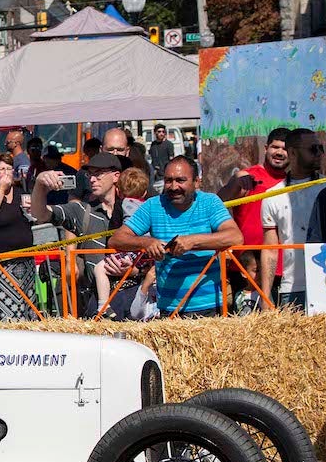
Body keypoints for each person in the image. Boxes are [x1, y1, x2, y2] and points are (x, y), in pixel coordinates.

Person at [110, 156, 244, 318]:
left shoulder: (210, 202)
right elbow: (116, 239)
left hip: (208, 306)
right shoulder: (154, 205)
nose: (174, 187)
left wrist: (192, 241)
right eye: (168, 181)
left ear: (196, 182)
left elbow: (235, 237)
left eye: (181, 180)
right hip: (169, 308)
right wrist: (146, 242)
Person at [32, 152, 125, 318]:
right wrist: (40, 184)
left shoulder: (136, 208)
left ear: (116, 176)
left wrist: (134, 270)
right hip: (96, 304)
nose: (92, 179)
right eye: (90, 174)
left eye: (98, 174)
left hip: (130, 297)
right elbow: (41, 214)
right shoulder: (82, 210)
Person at [259, 128, 325, 310]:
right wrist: (265, 296)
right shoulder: (272, 196)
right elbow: (270, 249)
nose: (319, 153)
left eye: (321, 148)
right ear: (293, 153)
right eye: (313, 149)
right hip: (292, 289)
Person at [218, 127, 289, 278]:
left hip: (282, 269)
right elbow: (218, 203)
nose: (279, 152)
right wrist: (235, 183)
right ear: (266, 148)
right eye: (275, 147)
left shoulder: (294, 182)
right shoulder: (247, 177)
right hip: (245, 269)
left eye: (285, 149)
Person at [0, 152, 36, 320]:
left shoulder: (21, 192)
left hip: (25, 262)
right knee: (6, 313)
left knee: (28, 311)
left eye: (9, 168)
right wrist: (1, 190)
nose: (6, 172)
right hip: (1, 265)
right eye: (1, 169)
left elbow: (35, 217)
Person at [148, 123, 174, 191]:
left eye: (163, 132)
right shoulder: (153, 144)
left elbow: (171, 160)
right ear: (155, 133)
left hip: (164, 175)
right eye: (159, 132)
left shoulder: (169, 144)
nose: (161, 133)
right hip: (154, 176)